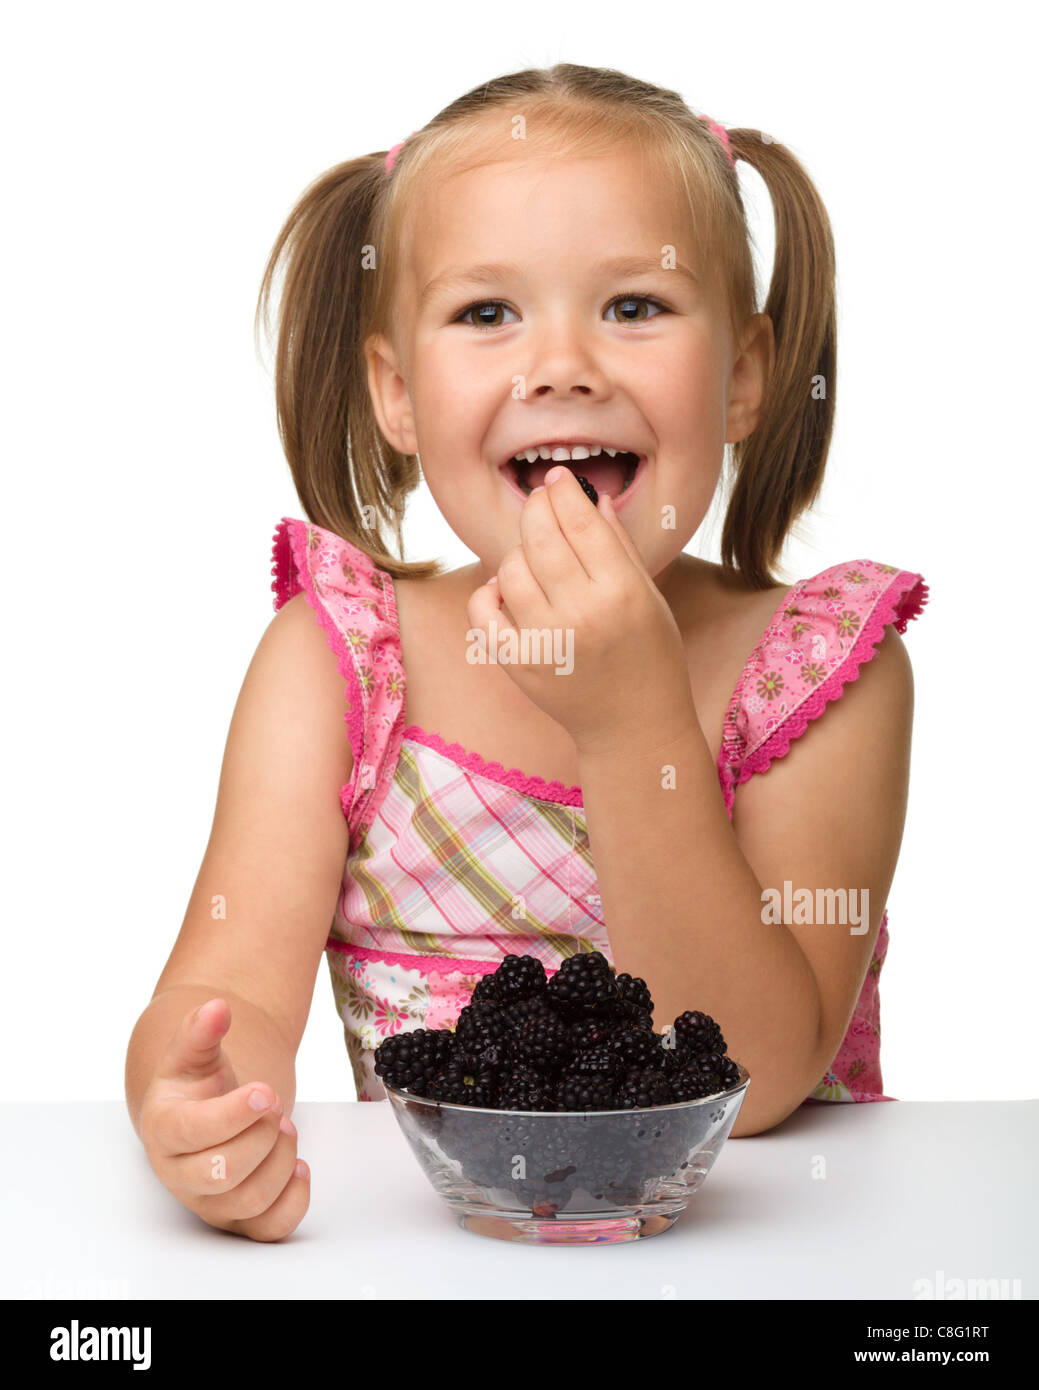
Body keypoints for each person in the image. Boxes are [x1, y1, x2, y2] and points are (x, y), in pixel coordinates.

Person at [125, 62, 929, 1241]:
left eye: (635, 307)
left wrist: (634, 721)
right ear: (398, 395)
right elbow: (225, 987)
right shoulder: (336, 660)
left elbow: (759, 1071)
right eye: (487, 313)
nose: (560, 365)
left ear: (746, 379)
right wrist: (187, 1097)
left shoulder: (817, 674)